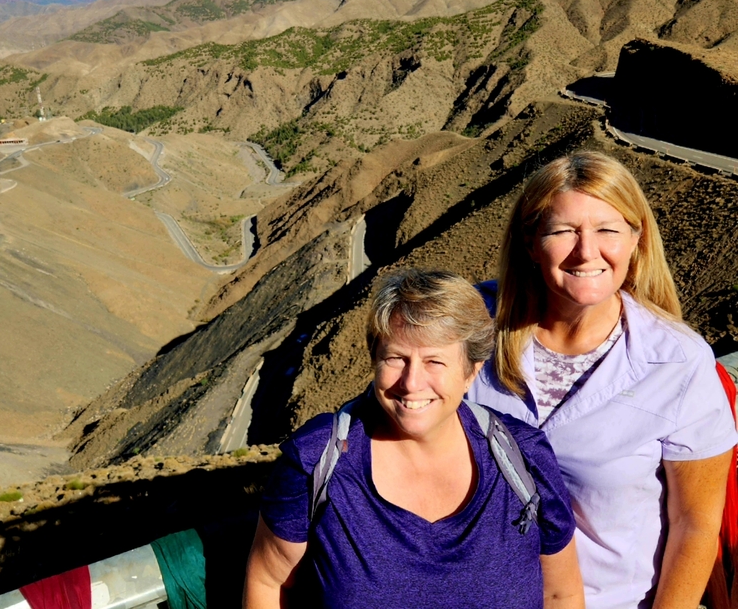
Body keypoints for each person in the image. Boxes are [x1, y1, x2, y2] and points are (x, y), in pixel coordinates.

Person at [467, 151, 738, 609]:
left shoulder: (677, 362)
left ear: (637, 239)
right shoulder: (471, 327)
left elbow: (695, 524)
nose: (586, 251)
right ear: (530, 242)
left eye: (607, 230)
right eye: (562, 231)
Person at [244, 268, 584, 608]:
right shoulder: (316, 461)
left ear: (472, 371)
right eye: (396, 358)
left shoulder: (523, 460)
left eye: (435, 361)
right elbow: (268, 581)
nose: (411, 382)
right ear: (375, 359)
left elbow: (560, 594)